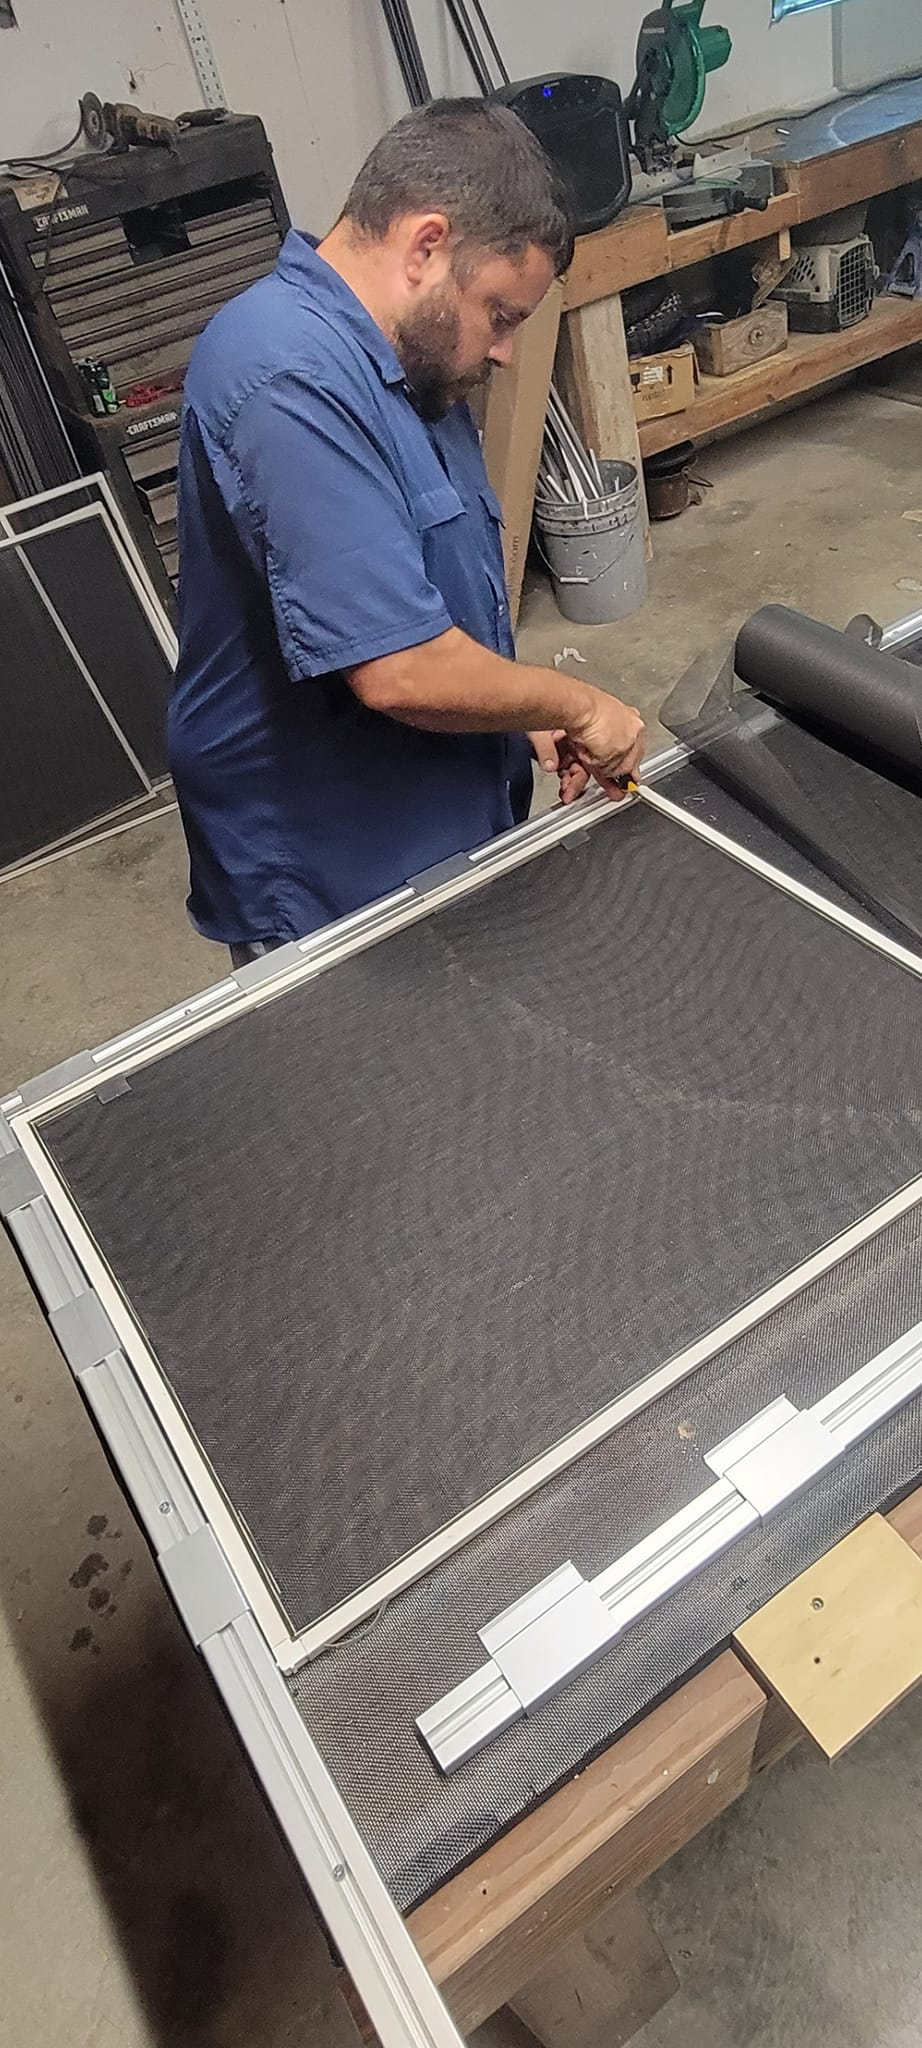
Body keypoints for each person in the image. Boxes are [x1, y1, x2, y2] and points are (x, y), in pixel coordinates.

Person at [169, 98, 645, 962]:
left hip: (432, 820)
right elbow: (399, 667)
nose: (504, 350)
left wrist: (511, 714)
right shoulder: (286, 376)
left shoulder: (412, 359)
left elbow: (424, 584)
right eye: (501, 315)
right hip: (334, 866)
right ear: (427, 245)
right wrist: (574, 701)